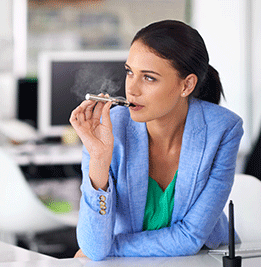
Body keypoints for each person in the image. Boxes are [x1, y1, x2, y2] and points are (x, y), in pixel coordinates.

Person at [69, 19, 244, 261]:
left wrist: (113, 248)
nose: (132, 89)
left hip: (202, 260)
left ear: (187, 85)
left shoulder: (223, 130)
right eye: (130, 72)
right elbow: (94, 247)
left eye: (149, 78)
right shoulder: (108, 129)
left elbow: (190, 238)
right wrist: (99, 158)